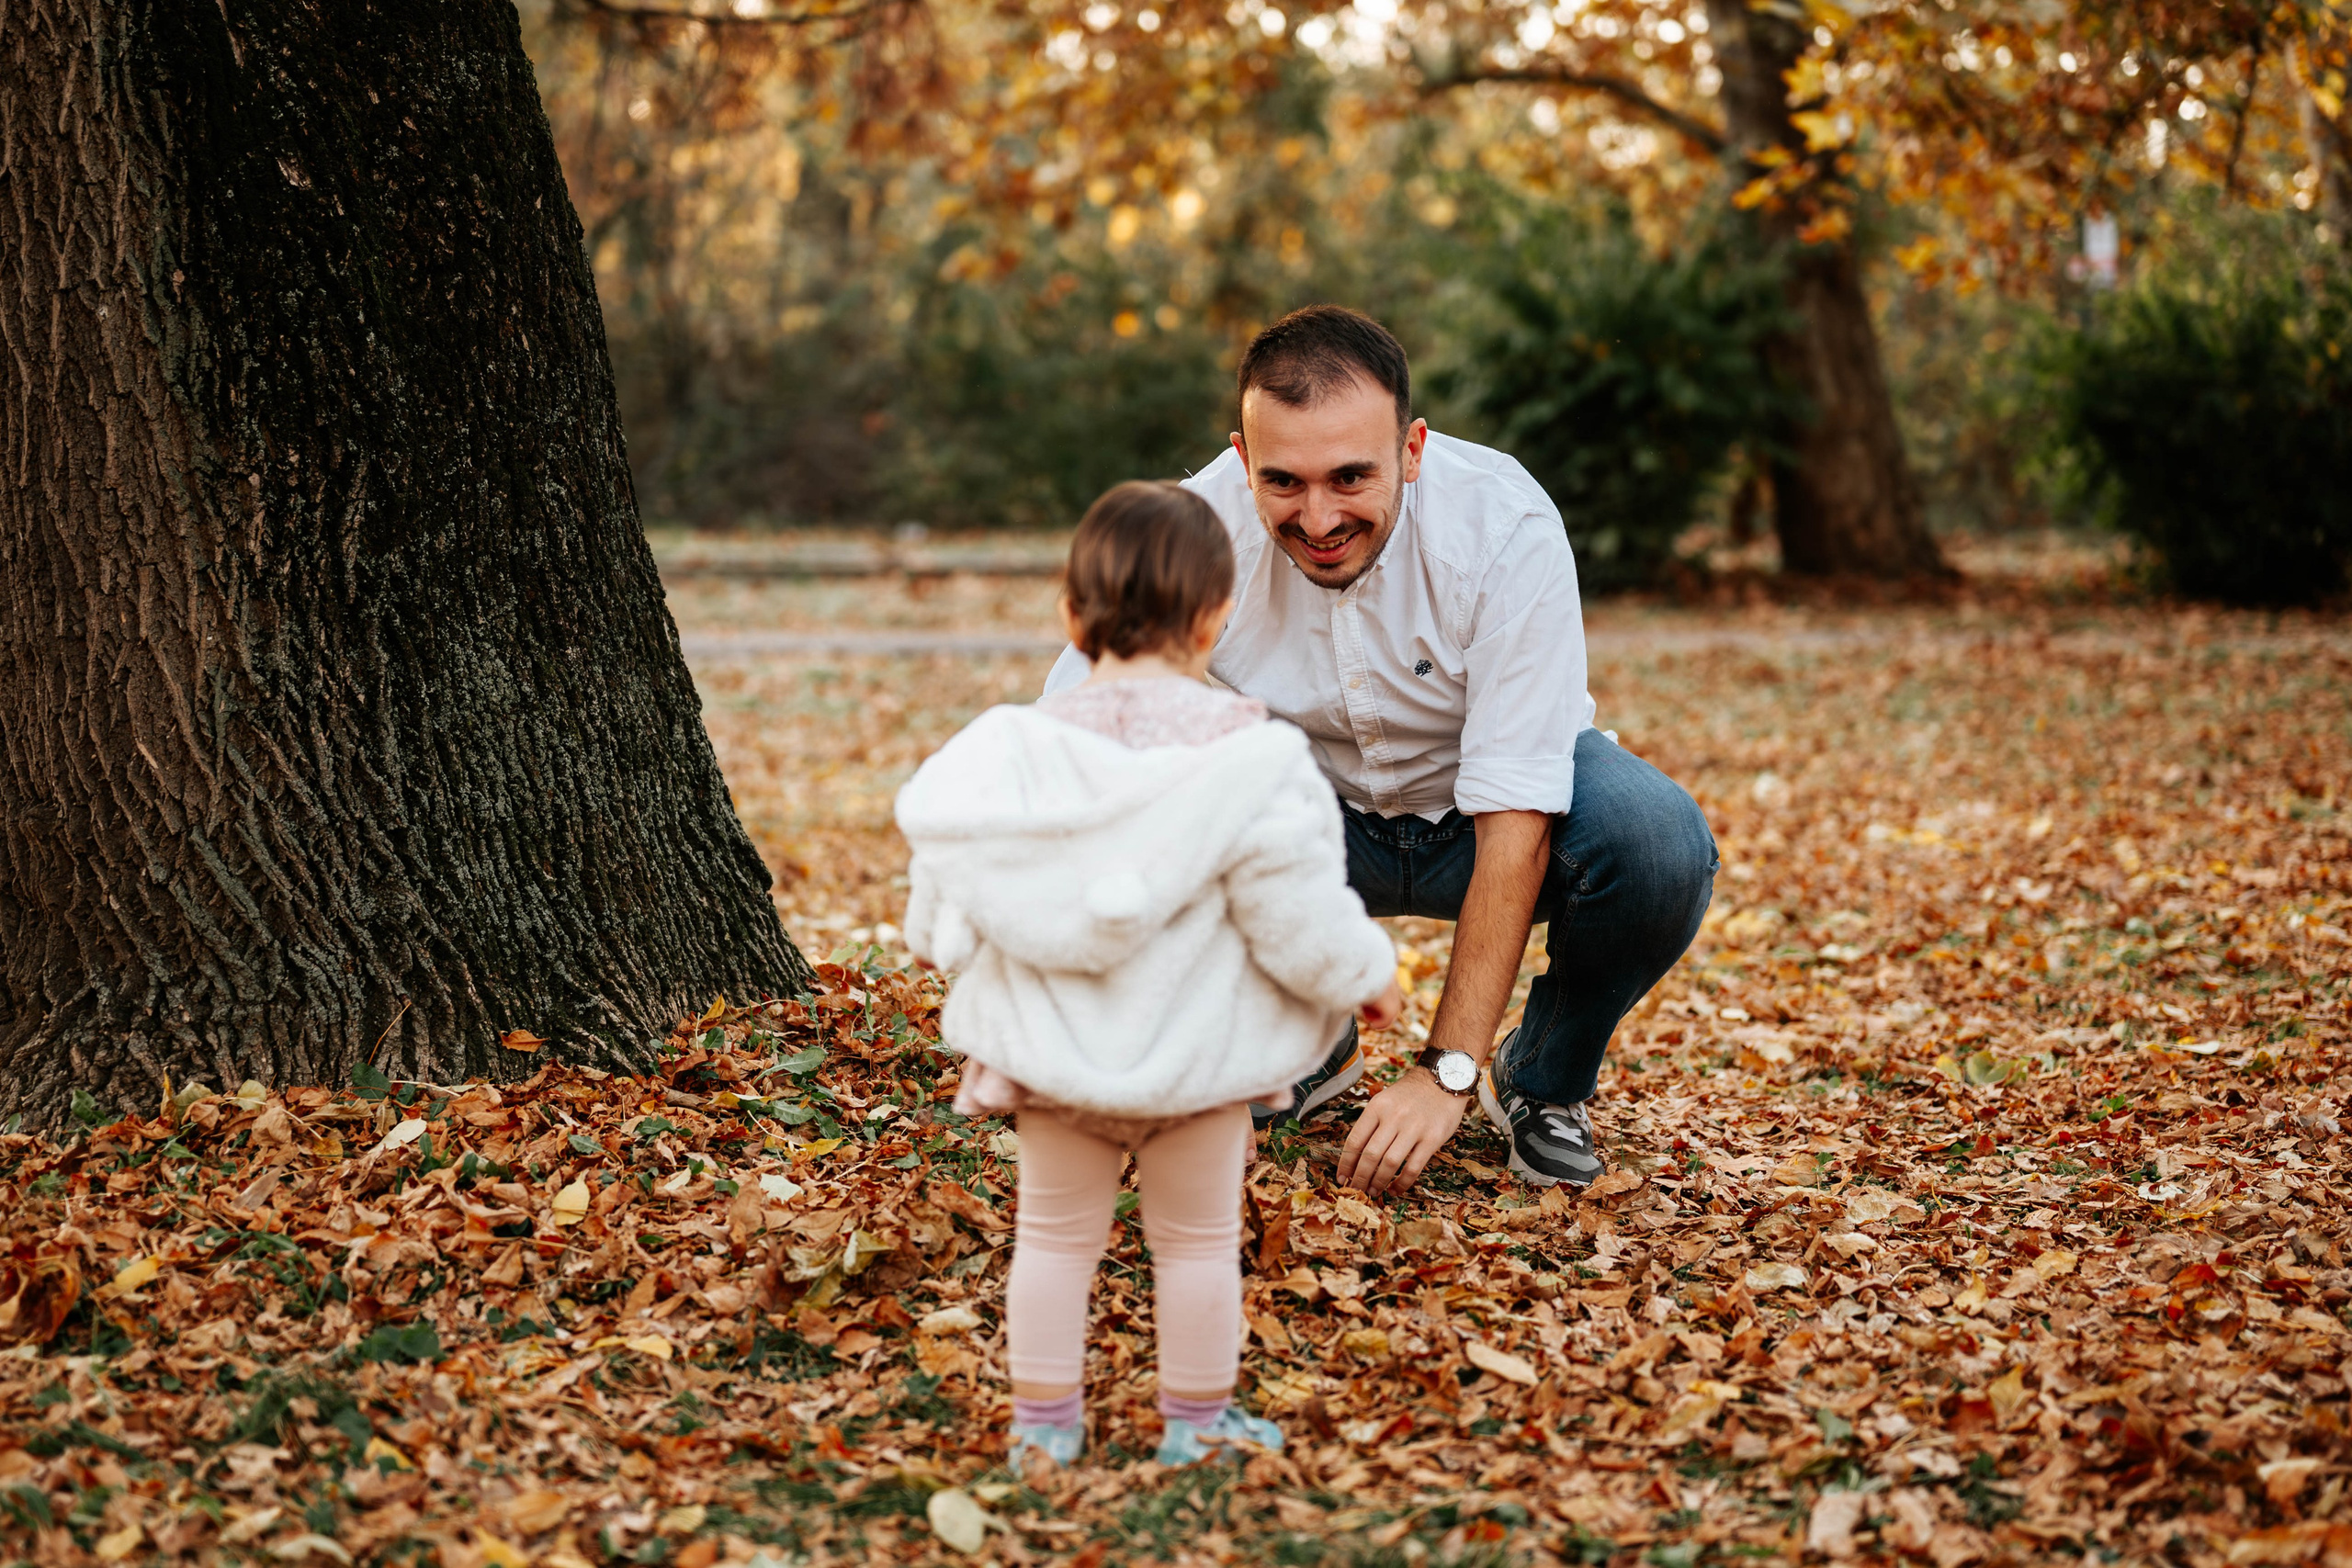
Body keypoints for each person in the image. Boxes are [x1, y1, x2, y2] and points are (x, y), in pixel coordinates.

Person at [1043, 306, 1718, 1197]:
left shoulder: (1503, 523)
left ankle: (1541, 1080)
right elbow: (1074, 740)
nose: (1317, 517)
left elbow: (1516, 813)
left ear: (1411, 450)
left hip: (1493, 817)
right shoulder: (1189, 532)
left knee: (1657, 842)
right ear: (1242, 462)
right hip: (1311, 825)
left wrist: (1445, 1069)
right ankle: (1296, 1042)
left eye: (1350, 477)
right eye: (1282, 481)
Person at [897, 480, 1405, 1470]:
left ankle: (1043, 1433)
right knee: (1197, 1246)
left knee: (1049, 1240)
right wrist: (1364, 975)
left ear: (1072, 615)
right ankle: (1197, 1423)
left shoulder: (1012, 756)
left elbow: (945, 912)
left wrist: (953, 946)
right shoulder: (1254, 761)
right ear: (1216, 618)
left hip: (1052, 1061)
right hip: (1199, 1063)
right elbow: (1295, 916)